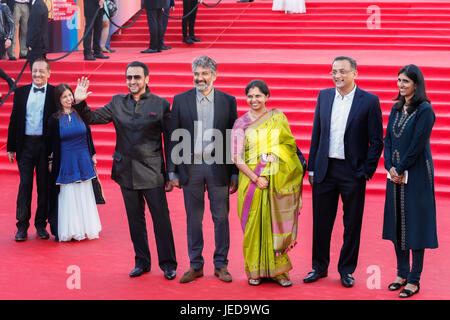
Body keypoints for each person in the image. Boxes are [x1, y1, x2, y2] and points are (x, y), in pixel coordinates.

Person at [72, 61, 177, 280]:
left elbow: (170, 140)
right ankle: (142, 262)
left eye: (137, 77)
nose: (132, 81)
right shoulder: (117, 102)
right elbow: (93, 118)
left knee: (161, 220)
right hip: (126, 170)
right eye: (129, 77)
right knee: (134, 220)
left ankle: (168, 263)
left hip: (152, 171)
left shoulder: (160, 104)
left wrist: (171, 173)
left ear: (147, 79)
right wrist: (81, 103)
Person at [304, 56, 383, 287]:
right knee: (321, 222)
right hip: (325, 169)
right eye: (334, 72)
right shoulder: (324, 96)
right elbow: (316, 133)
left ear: (354, 73)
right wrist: (311, 167)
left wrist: (366, 170)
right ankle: (318, 267)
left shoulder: (368, 101)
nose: (337, 76)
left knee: (352, 223)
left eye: (342, 71)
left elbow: (376, 140)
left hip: (352, 171)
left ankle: (346, 270)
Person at [169, 55, 238, 283]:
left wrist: (235, 172)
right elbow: (173, 137)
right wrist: (173, 172)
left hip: (219, 168)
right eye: (196, 74)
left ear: (214, 76)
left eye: (204, 74)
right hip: (192, 168)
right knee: (193, 219)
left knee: (221, 218)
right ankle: (195, 264)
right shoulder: (180, 100)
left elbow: (233, 138)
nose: (200, 78)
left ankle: (221, 265)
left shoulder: (228, 101)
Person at [231, 80, 304, 287]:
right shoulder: (240, 123)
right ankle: (255, 270)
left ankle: (278, 272)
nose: (254, 100)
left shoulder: (278, 118)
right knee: (253, 226)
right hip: (251, 182)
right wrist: (256, 178)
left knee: (275, 224)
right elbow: (236, 157)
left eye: (258, 96)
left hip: (275, 180)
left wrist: (274, 156)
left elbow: (289, 146)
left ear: (267, 97)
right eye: (250, 96)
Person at [382, 65, 438, 298]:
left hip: (416, 176)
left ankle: (414, 279)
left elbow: (417, 144)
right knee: (397, 224)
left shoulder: (425, 110)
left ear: (416, 83)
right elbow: (387, 140)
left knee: (416, 225)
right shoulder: (396, 108)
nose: (401, 85)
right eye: (399, 81)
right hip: (394, 175)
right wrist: (389, 166)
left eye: (405, 81)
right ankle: (401, 273)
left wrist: (401, 167)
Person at [6, 57, 56, 241]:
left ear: (49, 73)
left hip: (45, 146)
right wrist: (11, 146)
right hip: (25, 145)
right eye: (35, 70)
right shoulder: (20, 92)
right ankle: (22, 226)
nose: (37, 74)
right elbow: (14, 120)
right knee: (24, 185)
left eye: (42, 71)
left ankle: (41, 225)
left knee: (44, 187)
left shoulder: (54, 93)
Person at [46, 83, 102, 242]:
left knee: (84, 193)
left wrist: (93, 154)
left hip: (83, 158)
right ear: (58, 99)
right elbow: (49, 143)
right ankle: (71, 230)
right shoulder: (54, 120)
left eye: (70, 95)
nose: (69, 99)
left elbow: (88, 135)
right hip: (65, 161)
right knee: (69, 195)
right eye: (65, 97)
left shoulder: (80, 113)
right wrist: (50, 161)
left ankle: (86, 227)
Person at [26, 0, 48, 69]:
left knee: (36, 72)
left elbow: (35, 27)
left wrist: (31, 44)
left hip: (36, 46)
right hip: (39, 45)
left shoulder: (37, 6)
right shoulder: (40, 4)